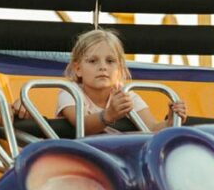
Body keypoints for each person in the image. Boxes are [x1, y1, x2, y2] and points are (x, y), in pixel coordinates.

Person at [55, 29, 187, 135]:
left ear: (119, 68)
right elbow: (82, 125)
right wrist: (109, 115)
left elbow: (151, 128)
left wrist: (171, 122)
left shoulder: (126, 95)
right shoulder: (71, 93)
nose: (103, 67)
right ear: (78, 69)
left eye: (110, 61)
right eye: (93, 61)